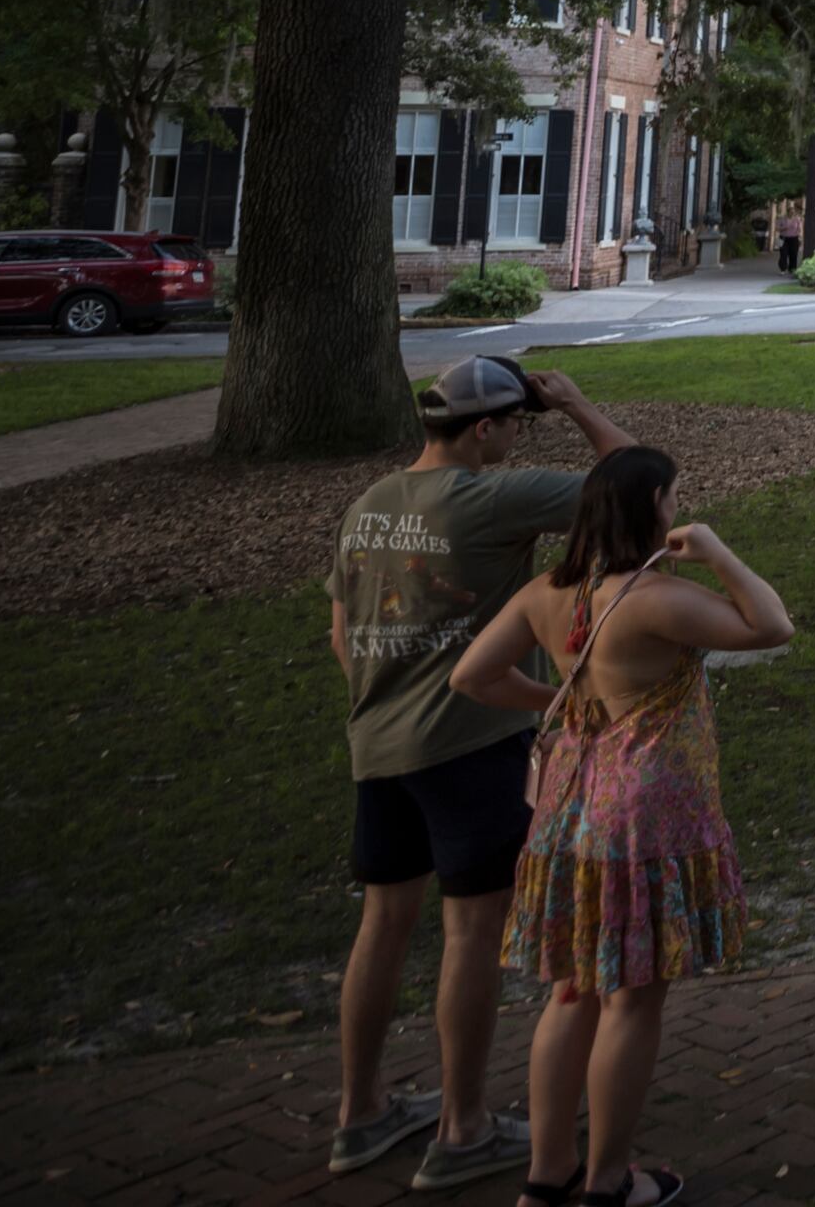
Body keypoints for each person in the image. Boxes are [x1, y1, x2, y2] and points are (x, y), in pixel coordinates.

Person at [322, 355, 634, 1186]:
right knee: (469, 932)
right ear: (486, 428)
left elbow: (341, 636)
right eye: (515, 424)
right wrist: (574, 403)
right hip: (468, 744)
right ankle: (462, 1129)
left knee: (382, 924)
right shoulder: (493, 496)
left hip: (376, 743)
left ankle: (359, 1114)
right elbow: (635, 486)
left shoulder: (368, 506)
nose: (519, 437)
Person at [453, 446, 791, 1207]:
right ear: (654, 508)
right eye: (674, 498)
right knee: (633, 999)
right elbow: (772, 625)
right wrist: (714, 550)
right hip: (641, 818)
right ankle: (609, 1181)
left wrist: (555, 705)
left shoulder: (549, 593)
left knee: (571, 990)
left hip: (566, 813)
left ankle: (547, 1177)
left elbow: (471, 675)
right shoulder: (652, 599)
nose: (678, 509)